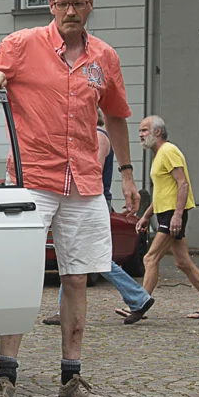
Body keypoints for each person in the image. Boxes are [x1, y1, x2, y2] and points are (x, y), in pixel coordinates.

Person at [0, 0, 140, 397]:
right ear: (52, 7)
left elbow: (115, 116)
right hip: (31, 179)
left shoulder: (105, 58)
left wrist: (129, 175)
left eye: (78, 3)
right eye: (63, 4)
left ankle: (70, 378)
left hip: (84, 182)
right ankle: (5, 377)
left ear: (90, 5)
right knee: (20, 274)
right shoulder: (23, 44)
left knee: (78, 278)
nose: (70, 11)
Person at [43, 110, 155, 327]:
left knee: (94, 258)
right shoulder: (95, 135)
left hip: (90, 200)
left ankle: (138, 298)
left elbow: (93, 170)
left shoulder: (99, 136)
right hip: (87, 200)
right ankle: (63, 309)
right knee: (73, 255)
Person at [136, 116, 199, 319]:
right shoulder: (159, 155)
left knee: (150, 257)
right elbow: (162, 192)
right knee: (182, 262)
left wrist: (177, 215)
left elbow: (183, 184)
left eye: (144, 130)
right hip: (167, 213)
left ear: (158, 132)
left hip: (173, 214)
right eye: (140, 131)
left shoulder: (169, 151)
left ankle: (138, 305)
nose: (140, 135)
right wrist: (146, 216)